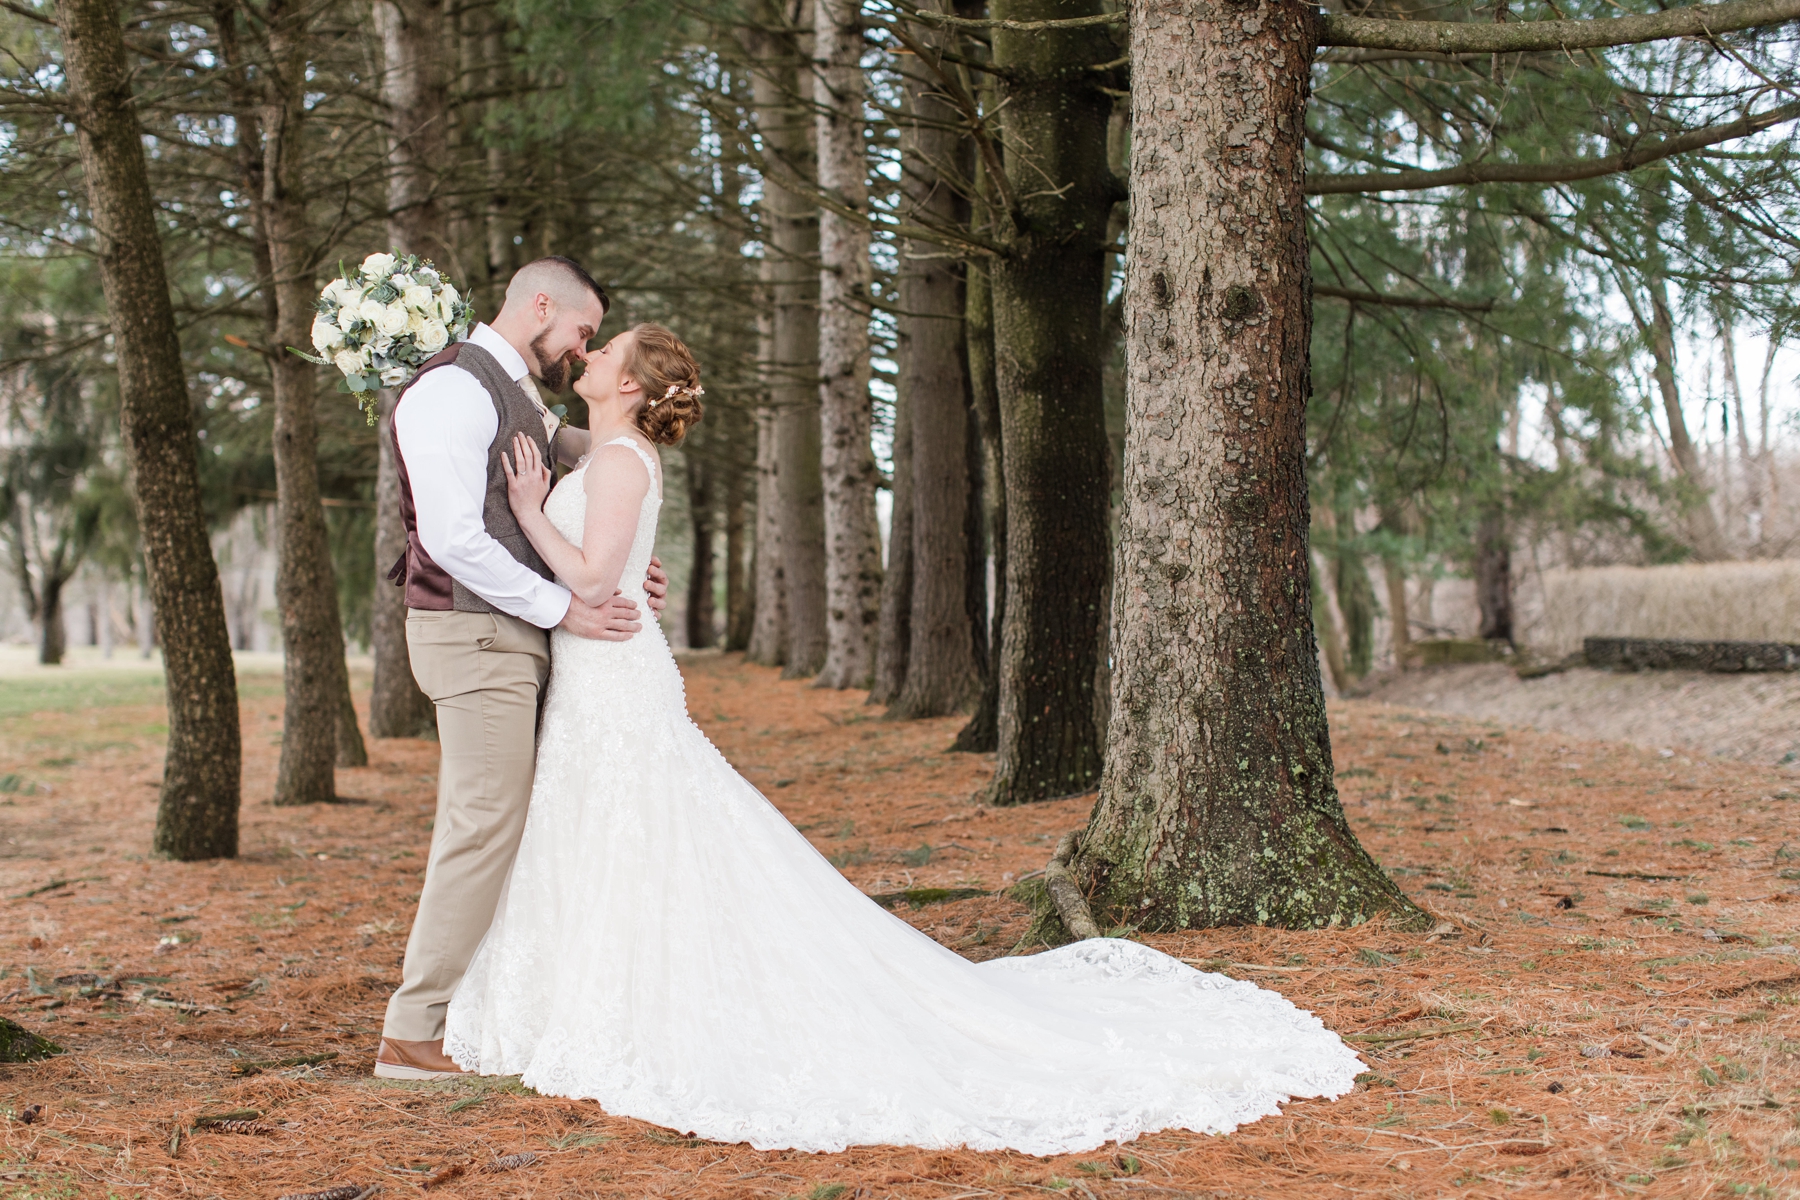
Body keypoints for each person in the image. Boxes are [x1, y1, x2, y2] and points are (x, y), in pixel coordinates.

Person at [441, 322, 1365, 1154]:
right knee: (612, 836)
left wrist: (529, 514)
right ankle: (593, 1001)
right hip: (601, 677)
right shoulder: (607, 455)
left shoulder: (616, 461)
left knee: (637, 828)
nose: (591, 356)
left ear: (631, 386)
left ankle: (636, 1013)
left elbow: (596, 577)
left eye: (608, 351)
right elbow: (615, 568)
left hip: (614, 680)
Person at [375, 257, 668, 1080]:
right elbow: (453, 539)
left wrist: (622, 561)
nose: (582, 350)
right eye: (581, 330)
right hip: (471, 636)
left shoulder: (519, 395)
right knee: (483, 824)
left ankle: (473, 1011)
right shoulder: (452, 391)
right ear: (540, 305)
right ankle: (412, 1031)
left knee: (509, 827)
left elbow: (609, 473)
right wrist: (564, 607)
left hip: (512, 636)